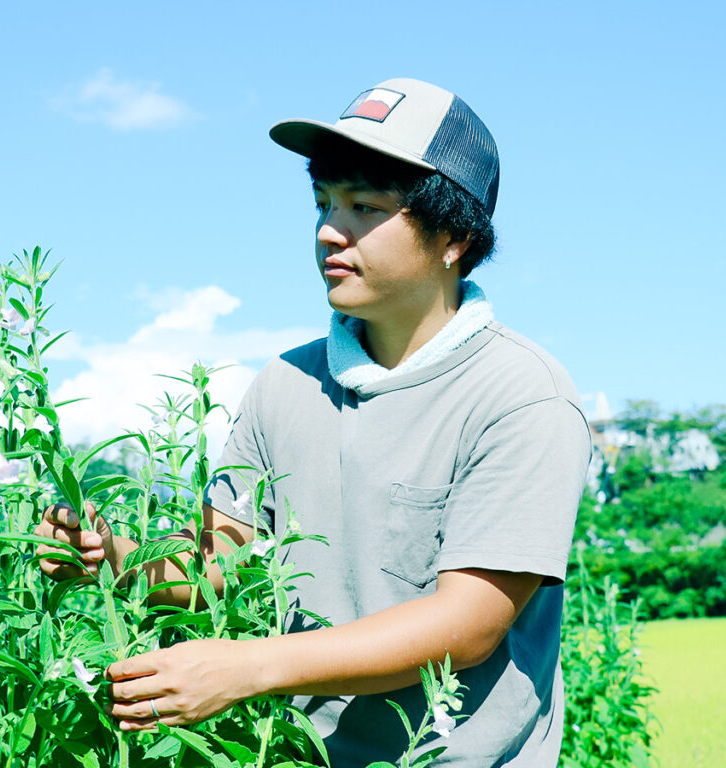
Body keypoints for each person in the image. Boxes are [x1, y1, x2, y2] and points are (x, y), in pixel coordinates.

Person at [35, 77, 591, 767]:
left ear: (453, 236)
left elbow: (468, 623)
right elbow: (220, 560)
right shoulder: (286, 384)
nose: (331, 229)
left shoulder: (521, 395)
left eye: (365, 206)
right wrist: (112, 557)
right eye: (323, 202)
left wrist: (249, 667)